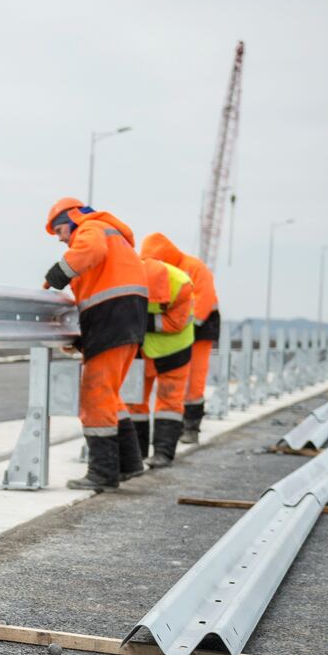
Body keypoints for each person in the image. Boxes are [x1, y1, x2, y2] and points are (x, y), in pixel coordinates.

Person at [41, 198, 149, 492]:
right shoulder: (113, 239)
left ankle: (102, 473)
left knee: (96, 396)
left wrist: (55, 277)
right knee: (110, 394)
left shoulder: (92, 229)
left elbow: (91, 251)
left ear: (74, 218)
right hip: (125, 319)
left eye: (61, 229)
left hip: (112, 318)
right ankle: (129, 463)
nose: (62, 238)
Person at [140, 232, 219, 445]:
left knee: (195, 378)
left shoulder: (193, 267)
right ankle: (174, 429)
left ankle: (191, 426)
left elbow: (204, 299)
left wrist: (184, 330)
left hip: (198, 329)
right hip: (174, 330)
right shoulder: (155, 270)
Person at [129, 254, 195, 468]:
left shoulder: (181, 284)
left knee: (169, 401)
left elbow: (175, 323)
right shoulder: (127, 276)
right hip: (141, 349)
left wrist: (138, 320)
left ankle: (163, 453)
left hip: (174, 351)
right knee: (134, 401)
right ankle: (136, 454)